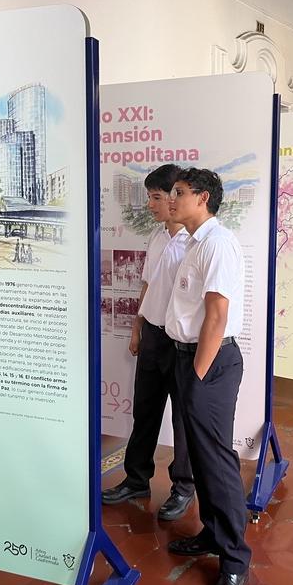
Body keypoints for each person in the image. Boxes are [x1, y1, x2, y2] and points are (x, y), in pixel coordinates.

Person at [164, 168, 250, 585]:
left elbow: (216, 317)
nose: (172, 199)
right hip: (190, 360)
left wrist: (197, 375)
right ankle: (212, 534)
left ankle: (235, 560)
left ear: (202, 198)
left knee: (216, 462)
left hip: (209, 363)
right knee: (200, 458)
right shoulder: (195, 245)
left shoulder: (217, 244)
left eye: (179, 193)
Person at [101, 163, 195, 522]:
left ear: (175, 197)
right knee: (145, 411)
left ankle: (183, 488)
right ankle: (137, 479)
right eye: (150, 197)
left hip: (181, 342)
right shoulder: (157, 238)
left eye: (156, 197)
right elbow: (147, 286)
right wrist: (138, 328)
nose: (151, 205)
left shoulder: (195, 242)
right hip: (154, 336)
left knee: (185, 420)